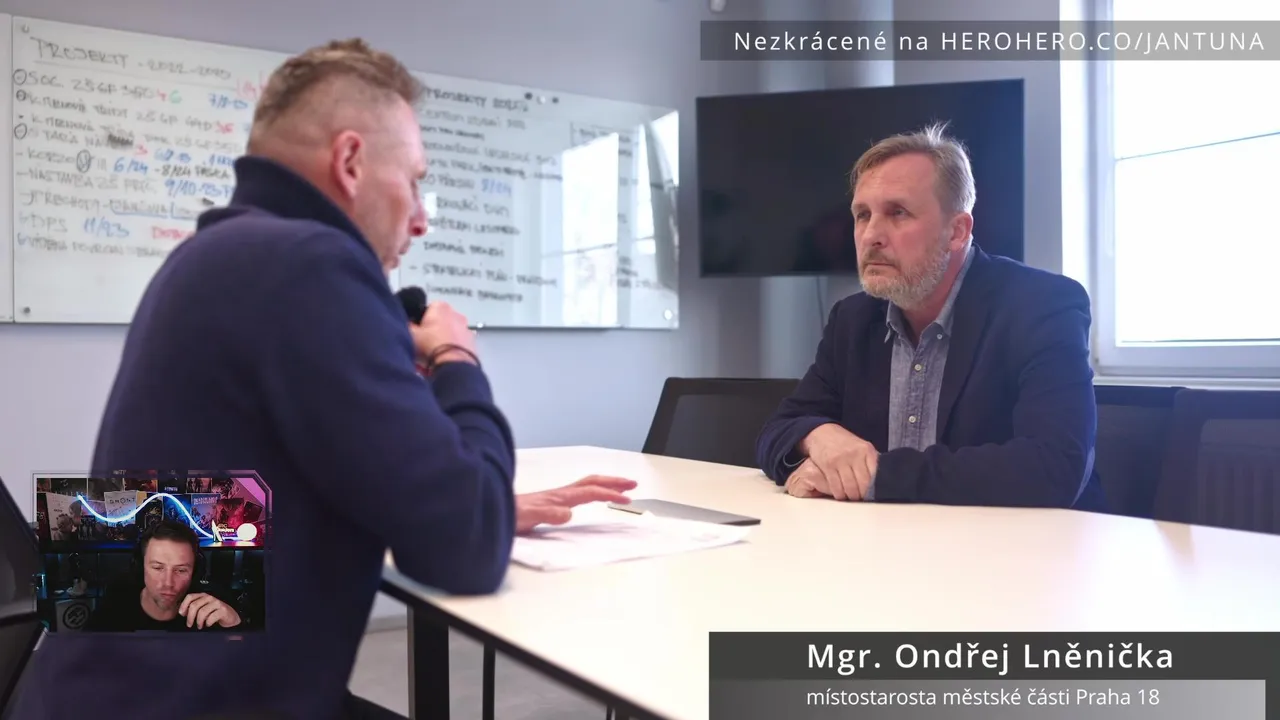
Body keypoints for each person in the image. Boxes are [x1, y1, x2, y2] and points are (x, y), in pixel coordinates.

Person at [10, 38, 633, 720]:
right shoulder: (309, 266)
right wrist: (457, 359)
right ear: (350, 161)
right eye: (415, 181)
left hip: (102, 692)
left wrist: (456, 499)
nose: (421, 219)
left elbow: (238, 506)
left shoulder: (208, 259)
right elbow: (469, 548)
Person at [756, 123, 1105, 511]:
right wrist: (819, 436)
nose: (870, 235)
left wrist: (876, 477)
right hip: (884, 539)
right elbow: (776, 431)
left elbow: (1054, 468)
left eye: (898, 213)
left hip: (1025, 544)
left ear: (957, 232)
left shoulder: (1041, 305)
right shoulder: (852, 320)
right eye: (862, 215)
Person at [88, 520, 242, 632]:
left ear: (195, 572)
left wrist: (235, 625)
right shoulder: (115, 603)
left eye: (181, 570)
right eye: (157, 568)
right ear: (141, 566)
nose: (168, 583)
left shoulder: (211, 609)